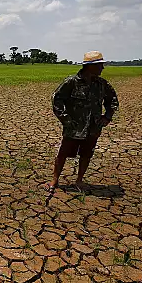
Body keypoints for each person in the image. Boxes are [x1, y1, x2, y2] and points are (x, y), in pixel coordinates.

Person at [48, 51, 119, 190]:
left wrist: (107, 117)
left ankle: (79, 181)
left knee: (87, 154)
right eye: (100, 65)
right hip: (74, 127)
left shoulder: (102, 84)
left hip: (93, 128)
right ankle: (54, 181)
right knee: (63, 153)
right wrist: (65, 119)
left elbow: (113, 101)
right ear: (90, 66)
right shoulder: (72, 82)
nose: (102, 68)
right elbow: (57, 99)